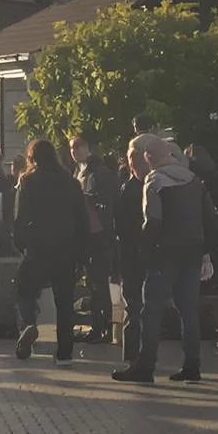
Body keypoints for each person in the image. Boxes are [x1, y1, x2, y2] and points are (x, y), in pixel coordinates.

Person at [112, 135, 214, 386]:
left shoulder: (154, 181)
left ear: (149, 158)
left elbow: (153, 221)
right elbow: (210, 218)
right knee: (188, 310)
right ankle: (192, 365)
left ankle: (145, 367)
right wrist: (204, 250)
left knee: (151, 311)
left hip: (164, 254)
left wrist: (142, 254)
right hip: (191, 252)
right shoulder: (194, 181)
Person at [12, 137, 91, 361]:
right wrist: (82, 254)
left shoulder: (28, 181)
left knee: (24, 291)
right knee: (64, 301)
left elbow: (20, 218)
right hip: (66, 248)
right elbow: (82, 220)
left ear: (32, 158)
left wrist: (21, 245)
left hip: (38, 247)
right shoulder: (71, 182)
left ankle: (28, 325)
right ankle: (65, 352)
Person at [70, 134, 119, 340]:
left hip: (98, 235)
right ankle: (99, 325)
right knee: (93, 282)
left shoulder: (98, 173)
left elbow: (107, 203)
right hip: (85, 233)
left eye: (78, 146)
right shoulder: (78, 171)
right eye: (72, 148)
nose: (75, 151)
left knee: (98, 281)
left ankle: (103, 326)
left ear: (88, 147)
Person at [111, 137, 147, 363]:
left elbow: (119, 224)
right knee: (138, 305)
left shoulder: (128, 188)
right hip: (140, 251)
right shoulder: (150, 186)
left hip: (132, 251)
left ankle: (134, 354)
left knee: (133, 305)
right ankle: (139, 353)